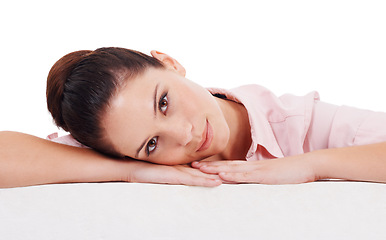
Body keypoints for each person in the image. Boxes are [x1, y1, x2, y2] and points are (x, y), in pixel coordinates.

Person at [1, 47, 385, 188]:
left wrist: (311, 165)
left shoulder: (294, 120)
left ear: (169, 63)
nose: (182, 135)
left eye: (163, 102)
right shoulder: (117, 151)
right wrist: (132, 171)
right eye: (151, 144)